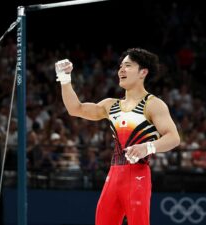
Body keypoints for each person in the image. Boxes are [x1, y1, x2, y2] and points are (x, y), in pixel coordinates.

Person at [55, 47, 180, 225]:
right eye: (120, 66)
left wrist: (147, 147)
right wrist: (65, 79)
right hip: (113, 176)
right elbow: (76, 109)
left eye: (128, 66)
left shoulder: (153, 104)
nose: (121, 70)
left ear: (143, 72)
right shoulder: (110, 105)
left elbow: (174, 138)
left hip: (138, 176)